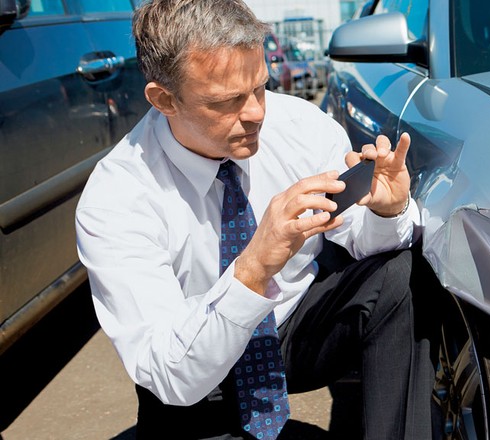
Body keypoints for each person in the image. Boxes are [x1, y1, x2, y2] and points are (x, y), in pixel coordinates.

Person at [75, 0, 439, 439]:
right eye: (227, 101)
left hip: (293, 332)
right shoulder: (118, 195)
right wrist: (252, 267)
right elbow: (169, 373)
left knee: (400, 274)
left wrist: (384, 211)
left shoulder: (301, 126)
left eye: (260, 88)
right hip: (196, 365)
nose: (256, 114)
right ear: (164, 99)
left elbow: (358, 238)